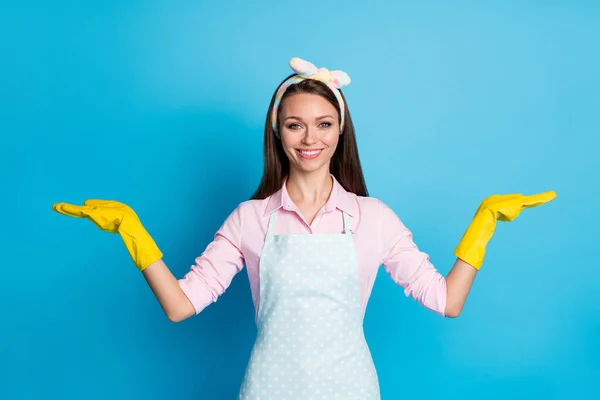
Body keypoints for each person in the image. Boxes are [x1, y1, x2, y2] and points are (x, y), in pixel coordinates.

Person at [52, 57, 556, 399]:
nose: (310, 137)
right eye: (295, 124)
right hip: (269, 389)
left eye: (323, 123)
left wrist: (482, 224)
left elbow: (447, 301)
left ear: (340, 130)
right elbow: (181, 306)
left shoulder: (372, 218)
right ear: (278, 131)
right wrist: (133, 234)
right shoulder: (250, 220)